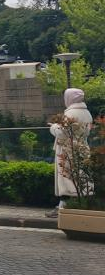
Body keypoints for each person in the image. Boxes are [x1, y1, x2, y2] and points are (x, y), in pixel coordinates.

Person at [47, 87, 94, 217]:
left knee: (67, 179)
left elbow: (63, 133)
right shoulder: (87, 113)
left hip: (68, 149)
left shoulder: (70, 114)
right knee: (81, 178)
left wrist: (53, 127)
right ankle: (81, 205)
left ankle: (63, 207)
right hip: (82, 147)